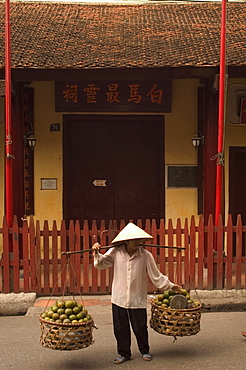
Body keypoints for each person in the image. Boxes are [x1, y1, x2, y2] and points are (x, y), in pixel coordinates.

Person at [92, 222, 182, 365]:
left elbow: (156, 275)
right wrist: (97, 252)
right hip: (119, 297)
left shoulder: (146, 255)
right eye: (134, 240)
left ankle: (144, 350)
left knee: (140, 327)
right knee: (120, 327)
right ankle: (124, 353)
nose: (138, 242)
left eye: (139, 240)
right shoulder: (116, 252)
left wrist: (170, 286)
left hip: (137, 297)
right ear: (126, 240)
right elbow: (101, 264)